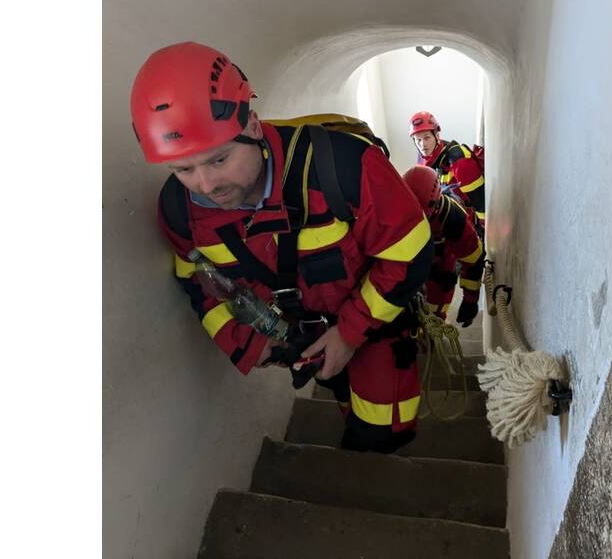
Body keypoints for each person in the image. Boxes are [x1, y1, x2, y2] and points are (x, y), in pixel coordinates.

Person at [131, 41, 434, 453]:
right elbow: (198, 281)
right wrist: (247, 343)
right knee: (340, 390)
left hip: (376, 324)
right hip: (303, 337)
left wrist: (348, 333)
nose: (207, 185)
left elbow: (409, 252)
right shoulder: (179, 212)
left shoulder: (344, 168)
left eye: (219, 160)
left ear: (252, 126)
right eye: (184, 169)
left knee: (383, 429)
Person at [402, 166, 485, 328]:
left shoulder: (453, 219)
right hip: (409, 259)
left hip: (441, 261)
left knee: (437, 298)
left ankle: (434, 328)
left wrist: (470, 302)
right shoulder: (395, 208)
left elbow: (474, 260)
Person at [408, 110, 486, 229]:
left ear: (437, 135)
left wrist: (486, 235)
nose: (422, 144)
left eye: (427, 138)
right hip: (446, 219)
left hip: (468, 226)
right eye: (418, 140)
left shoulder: (460, 160)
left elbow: (481, 202)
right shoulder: (423, 158)